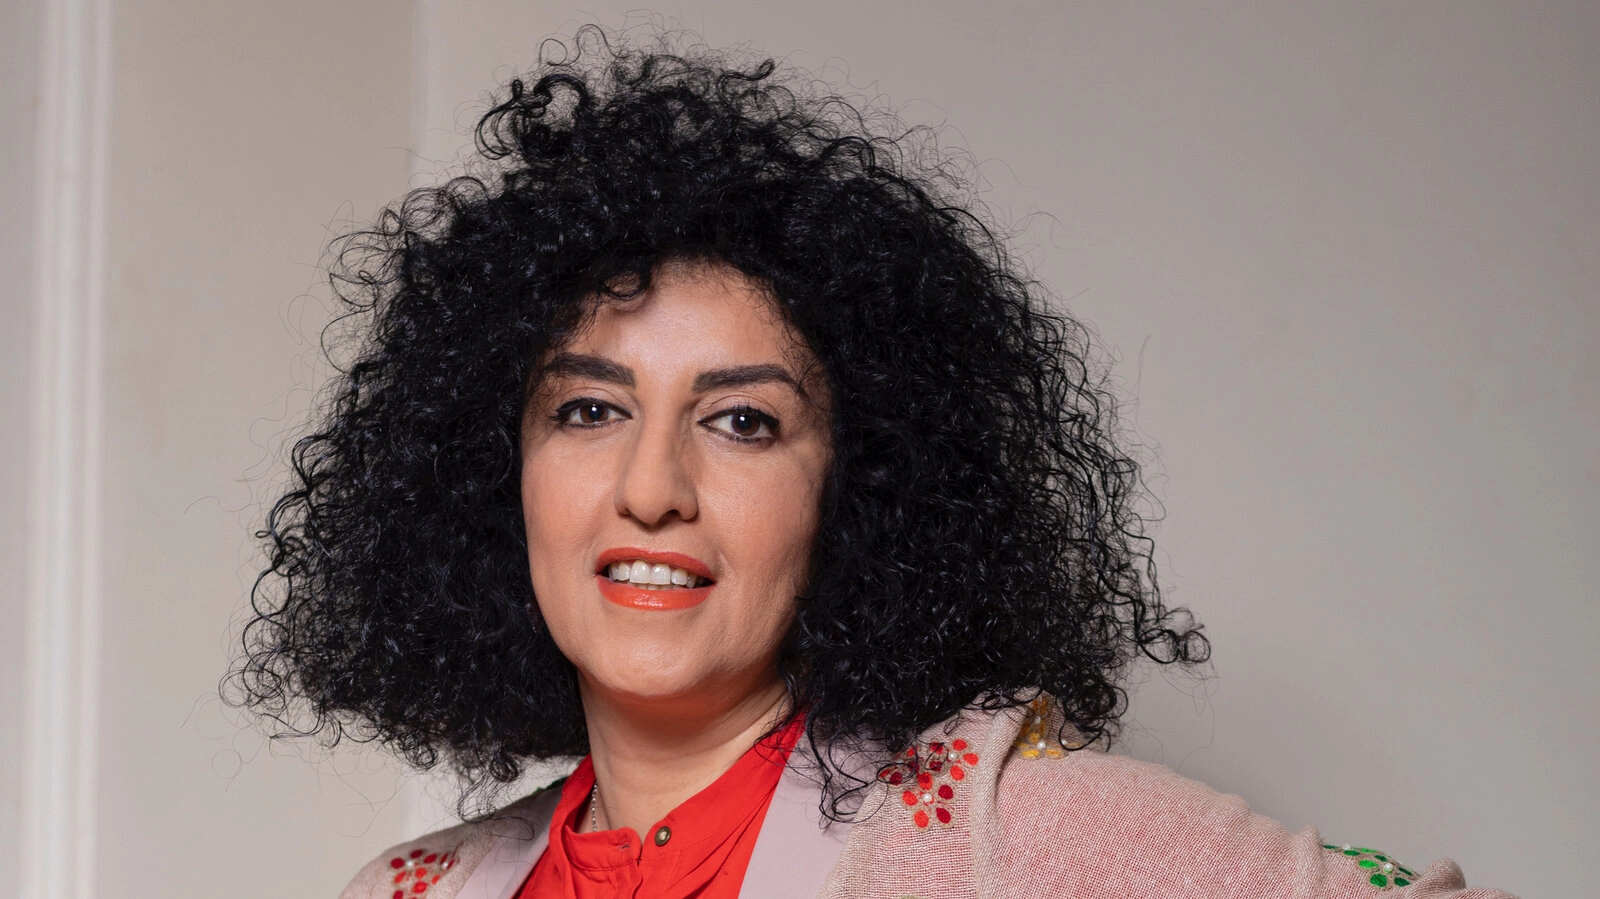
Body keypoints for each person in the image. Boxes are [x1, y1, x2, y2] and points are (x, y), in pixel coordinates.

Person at [232, 29, 1517, 899]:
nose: (651, 486)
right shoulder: (414, 887)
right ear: (490, 473)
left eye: (743, 421)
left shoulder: (997, 831)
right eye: (587, 410)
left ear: (855, 489)